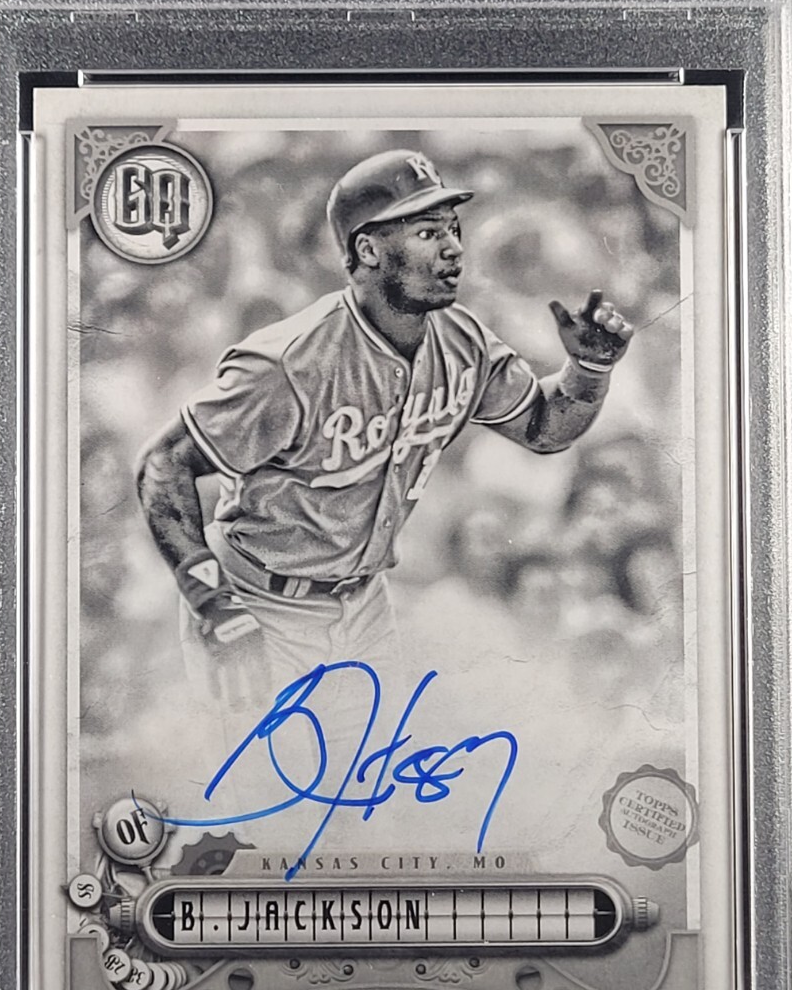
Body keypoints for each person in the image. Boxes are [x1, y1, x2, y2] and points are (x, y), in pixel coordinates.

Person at [135, 148, 634, 709]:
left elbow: (543, 429)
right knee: (264, 764)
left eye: (452, 228)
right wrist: (212, 600)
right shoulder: (290, 362)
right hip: (261, 601)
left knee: (377, 763)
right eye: (427, 232)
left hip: (367, 605)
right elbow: (164, 465)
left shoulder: (462, 339)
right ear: (368, 249)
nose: (453, 247)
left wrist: (588, 370)